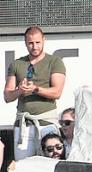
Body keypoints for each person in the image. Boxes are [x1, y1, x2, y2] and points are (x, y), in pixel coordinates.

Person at [3, 27, 66, 163]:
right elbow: (7, 96)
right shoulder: (16, 64)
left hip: (47, 123)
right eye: (31, 43)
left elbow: (57, 92)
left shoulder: (54, 62)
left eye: (38, 42)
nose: (34, 47)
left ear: (44, 40)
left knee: (50, 166)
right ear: (25, 43)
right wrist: (19, 90)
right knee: (23, 167)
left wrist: (35, 89)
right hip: (24, 125)